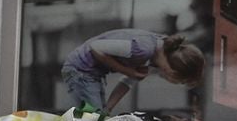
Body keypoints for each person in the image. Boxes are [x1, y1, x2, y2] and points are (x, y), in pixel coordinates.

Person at [60, 30, 204, 113]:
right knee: (92, 120)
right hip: (80, 69)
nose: (175, 82)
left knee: (99, 116)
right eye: (179, 81)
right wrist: (126, 70)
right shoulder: (144, 49)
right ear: (173, 71)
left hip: (93, 74)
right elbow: (96, 47)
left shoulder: (153, 58)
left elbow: (126, 83)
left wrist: (108, 108)